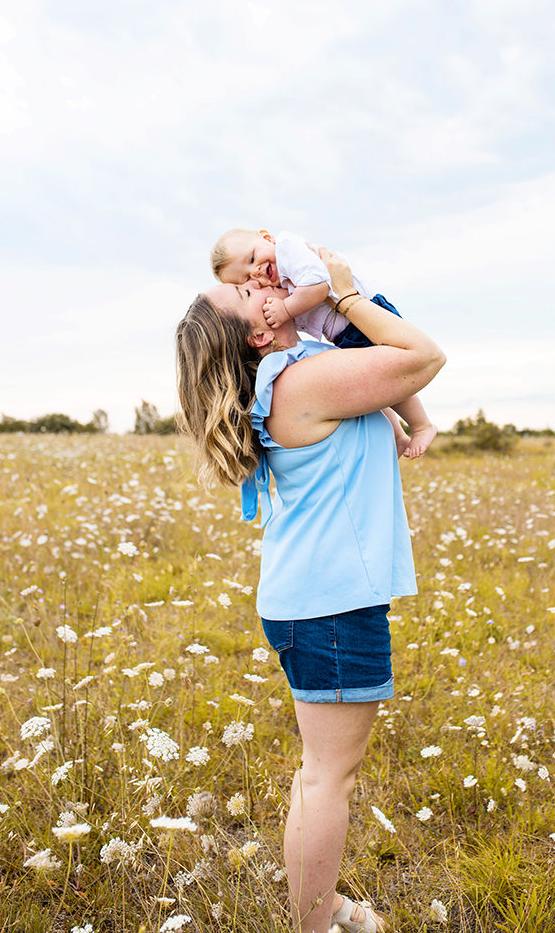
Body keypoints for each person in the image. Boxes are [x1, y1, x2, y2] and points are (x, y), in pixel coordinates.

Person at [175, 248, 445, 933]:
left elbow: (392, 396)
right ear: (258, 333)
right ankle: (315, 926)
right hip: (329, 605)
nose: (260, 279)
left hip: (316, 599)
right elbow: (423, 355)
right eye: (244, 291)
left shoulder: (300, 371)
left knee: (322, 772)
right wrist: (350, 294)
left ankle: (323, 912)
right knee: (330, 778)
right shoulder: (302, 380)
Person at [210, 227, 437, 459]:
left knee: (395, 376)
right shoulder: (279, 282)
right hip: (346, 331)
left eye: (251, 258)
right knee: (378, 389)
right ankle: (398, 435)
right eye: (246, 280)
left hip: (365, 318)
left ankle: (421, 425)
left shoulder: (289, 251)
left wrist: (285, 309)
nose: (255, 275)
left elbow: (319, 286)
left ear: (268, 238)